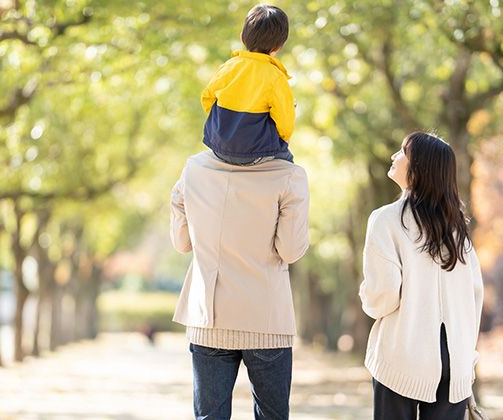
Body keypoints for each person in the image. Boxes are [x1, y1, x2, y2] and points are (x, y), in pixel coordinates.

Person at [169, 144, 309, 417]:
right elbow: (290, 250)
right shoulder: (288, 174)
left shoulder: (194, 168)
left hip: (209, 318)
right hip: (266, 320)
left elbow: (182, 242)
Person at [359, 132, 484, 420]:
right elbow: (474, 296)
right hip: (455, 361)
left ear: (419, 169)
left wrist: (366, 294)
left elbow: (382, 298)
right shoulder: (458, 230)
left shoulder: (385, 220)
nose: (394, 156)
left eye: (402, 152)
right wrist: (469, 356)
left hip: (402, 354)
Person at [201, 4, 296, 165]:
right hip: (256, 153)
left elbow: (207, 98)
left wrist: (221, 126)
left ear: (242, 37)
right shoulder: (275, 77)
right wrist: (282, 141)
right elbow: (285, 120)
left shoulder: (228, 67)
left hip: (218, 147)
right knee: (288, 162)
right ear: (278, 46)